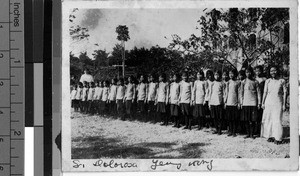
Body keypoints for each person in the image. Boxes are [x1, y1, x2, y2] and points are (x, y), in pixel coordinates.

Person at [261, 66, 287, 145]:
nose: (273, 72)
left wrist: (284, 104)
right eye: (271, 71)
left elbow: (285, 93)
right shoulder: (267, 81)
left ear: (277, 71)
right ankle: (270, 136)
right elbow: (265, 92)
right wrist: (263, 102)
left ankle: (278, 138)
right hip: (268, 102)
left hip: (277, 102)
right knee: (269, 119)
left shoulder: (282, 80)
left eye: (275, 70)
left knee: (277, 119)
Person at [240, 66, 261, 139]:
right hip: (245, 102)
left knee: (253, 120)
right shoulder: (243, 82)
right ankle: (248, 133)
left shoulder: (255, 81)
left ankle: (252, 134)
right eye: (246, 72)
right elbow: (241, 93)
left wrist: (259, 103)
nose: (248, 73)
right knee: (246, 119)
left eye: (249, 72)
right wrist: (241, 102)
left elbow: (258, 93)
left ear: (252, 72)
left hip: (253, 102)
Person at [224, 69, 240, 137]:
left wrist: (239, 102)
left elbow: (239, 93)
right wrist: (225, 102)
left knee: (234, 118)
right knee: (229, 118)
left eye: (232, 73)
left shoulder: (238, 82)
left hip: (235, 102)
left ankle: (234, 131)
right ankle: (230, 131)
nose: (231, 75)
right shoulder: (228, 82)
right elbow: (226, 93)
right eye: (230, 73)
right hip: (228, 102)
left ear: (235, 74)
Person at [209, 70, 225, 135]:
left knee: (220, 117)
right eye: (215, 75)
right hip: (213, 102)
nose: (216, 76)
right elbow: (210, 93)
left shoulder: (222, 83)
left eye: (218, 75)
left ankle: (220, 129)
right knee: (214, 117)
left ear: (220, 76)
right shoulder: (212, 83)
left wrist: (223, 102)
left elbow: (224, 93)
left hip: (219, 102)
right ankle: (216, 128)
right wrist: (209, 103)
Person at [254, 65, 267, 137]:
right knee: (256, 115)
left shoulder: (265, 79)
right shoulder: (254, 79)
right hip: (254, 99)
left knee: (261, 115)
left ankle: (261, 131)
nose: (257, 72)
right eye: (256, 71)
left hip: (262, 98)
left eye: (259, 71)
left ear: (262, 71)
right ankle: (256, 130)